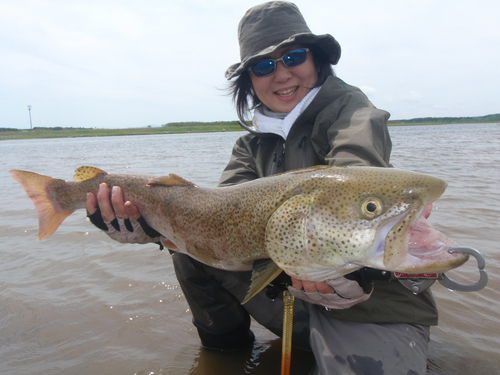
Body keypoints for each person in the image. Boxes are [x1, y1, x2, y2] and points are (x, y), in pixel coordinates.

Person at [86, 2, 437, 374]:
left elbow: (357, 170)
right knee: (191, 255)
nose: (281, 74)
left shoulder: (353, 114)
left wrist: (330, 253)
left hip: (370, 309)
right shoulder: (251, 146)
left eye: (294, 57)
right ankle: (225, 351)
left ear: (317, 60)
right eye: (264, 66)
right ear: (250, 80)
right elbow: (215, 223)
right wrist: (149, 227)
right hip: (295, 299)